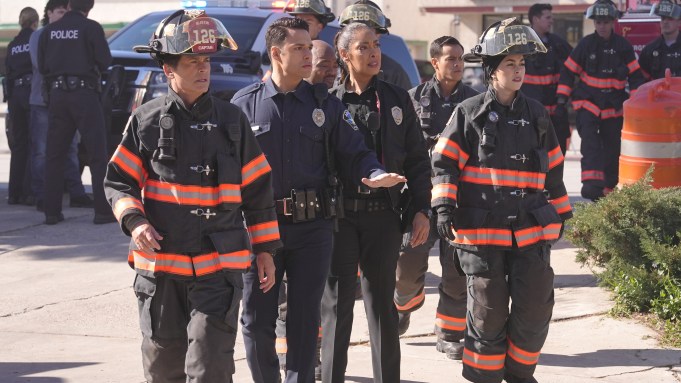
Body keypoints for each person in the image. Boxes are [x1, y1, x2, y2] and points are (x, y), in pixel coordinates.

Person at [104, 9, 283, 382]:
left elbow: (258, 190)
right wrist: (135, 224)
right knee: (163, 369)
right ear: (169, 70)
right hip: (161, 272)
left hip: (218, 270)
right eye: (192, 62)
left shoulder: (232, 121)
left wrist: (266, 249)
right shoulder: (146, 121)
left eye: (205, 60)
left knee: (209, 369)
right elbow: (118, 181)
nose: (204, 69)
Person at [231, 17, 405, 383]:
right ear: (276, 54)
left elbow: (355, 151)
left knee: (306, 321)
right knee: (257, 320)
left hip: (313, 230)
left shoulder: (324, 104)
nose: (309, 54)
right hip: (262, 231)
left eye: (309, 47)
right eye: (299, 48)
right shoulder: (244, 106)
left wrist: (375, 175)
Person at [431, 17, 572, 383]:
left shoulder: (538, 115)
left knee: (535, 309)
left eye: (522, 64)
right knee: (488, 313)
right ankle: (484, 377)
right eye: (509, 64)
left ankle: (521, 375)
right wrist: (444, 206)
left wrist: (561, 215)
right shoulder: (469, 113)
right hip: (483, 232)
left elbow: (554, 170)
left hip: (530, 231)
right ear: (492, 70)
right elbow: (443, 162)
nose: (518, 70)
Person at [321, 21, 432, 383]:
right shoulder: (329, 103)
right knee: (336, 307)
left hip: (383, 217)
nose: (373, 53)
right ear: (344, 55)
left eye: (377, 45)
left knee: (381, 305)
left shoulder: (397, 99)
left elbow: (417, 160)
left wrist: (420, 210)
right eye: (364, 47)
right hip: (340, 218)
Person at [395, 35, 477, 361]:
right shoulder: (410, 100)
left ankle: (450, 331)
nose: (457, 64)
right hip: (419, 197)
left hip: (460, 198)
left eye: (461, 59)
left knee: (456, 268)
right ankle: (404, 303)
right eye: (451, 58)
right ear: (435, 62)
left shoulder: (475, 102)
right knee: (407, 259)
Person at [273, 37, 338, 380]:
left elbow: (350, 154)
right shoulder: (257, 102)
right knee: (266, 311)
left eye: (333, 66)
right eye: (321, 63)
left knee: (307, 305)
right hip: (268, 225)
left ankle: (303, 367)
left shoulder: (329, 107)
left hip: (315, 223)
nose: (329, 72)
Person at [556, 0, 645, 201]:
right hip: (589, 105)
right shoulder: (586, 45)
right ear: (594, 23)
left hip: (614, 108)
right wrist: (561, 101)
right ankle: (591, 187)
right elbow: (568, 72)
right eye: (598, 22)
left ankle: (610, 188)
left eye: (605, 21)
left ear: (613, 22)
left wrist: (636, 106)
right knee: (590, 146)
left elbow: (636, 77)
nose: (602, 26)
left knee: (613, 148)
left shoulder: (623, 46)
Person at [37, 0, 113, 224]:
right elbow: (105, 60)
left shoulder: (49, 31)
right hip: (85, 95)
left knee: (55, 154)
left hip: (58, 96)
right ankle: (102, 212)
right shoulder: (91, 28)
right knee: (98, 154)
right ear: (89, 8)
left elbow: (42, 67)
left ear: (69, 5)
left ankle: (51, 212)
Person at [29, 0, 92, 212]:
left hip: (64, 99)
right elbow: (43, 65)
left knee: (71, 149)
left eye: (66, 11)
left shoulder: (68, 32)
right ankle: (42, 195)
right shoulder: (41, 34)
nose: (64, 15)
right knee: (42, 151)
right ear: (48, 13)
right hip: (42, 100)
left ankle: (76, 192)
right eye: (59, 11)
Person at [523, 3, 573, 154]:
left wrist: (562, 102)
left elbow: (572, 70)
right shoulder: (522, 44)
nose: (551, 21)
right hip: (530, 114)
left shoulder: (558, 44)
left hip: (557, 113)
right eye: (548, 17)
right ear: (535, 19)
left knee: (557, 155)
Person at [5, 7, 39, 206]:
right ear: (35, 23)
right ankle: (28, 193)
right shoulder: (34, 39)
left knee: (18, 146)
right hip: (30, 94)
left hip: (15, 96)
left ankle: (14, 193)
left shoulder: (13, 44)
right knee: (33, 143)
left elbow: (8, 73)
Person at [338, 0, 413, 89]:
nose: (363, 34)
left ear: (378, 34)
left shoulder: (394, 72)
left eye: (368, 30)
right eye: (356, 29)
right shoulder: (330, 65)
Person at [639, 0, 681, 80]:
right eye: (663, 18)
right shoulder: (649, 50)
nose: (665, 22)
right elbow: (641, 80)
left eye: (670, 18)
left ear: (679, 22)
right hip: (659, 92)